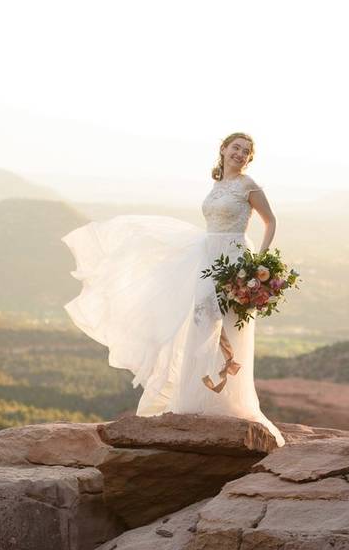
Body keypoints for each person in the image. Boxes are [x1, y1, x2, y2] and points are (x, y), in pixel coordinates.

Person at [61, 132, 285, 446]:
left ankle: (231, 402)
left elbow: (270, 220)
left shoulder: (249, 186)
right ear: (222, 149)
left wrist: (260, 261)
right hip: (209, 257)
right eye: (236, 147)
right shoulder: (218, 184)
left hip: (235, 260)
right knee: (200, 324)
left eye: (246, 151)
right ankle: (195, 402)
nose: (240, 154)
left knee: (232, 328)